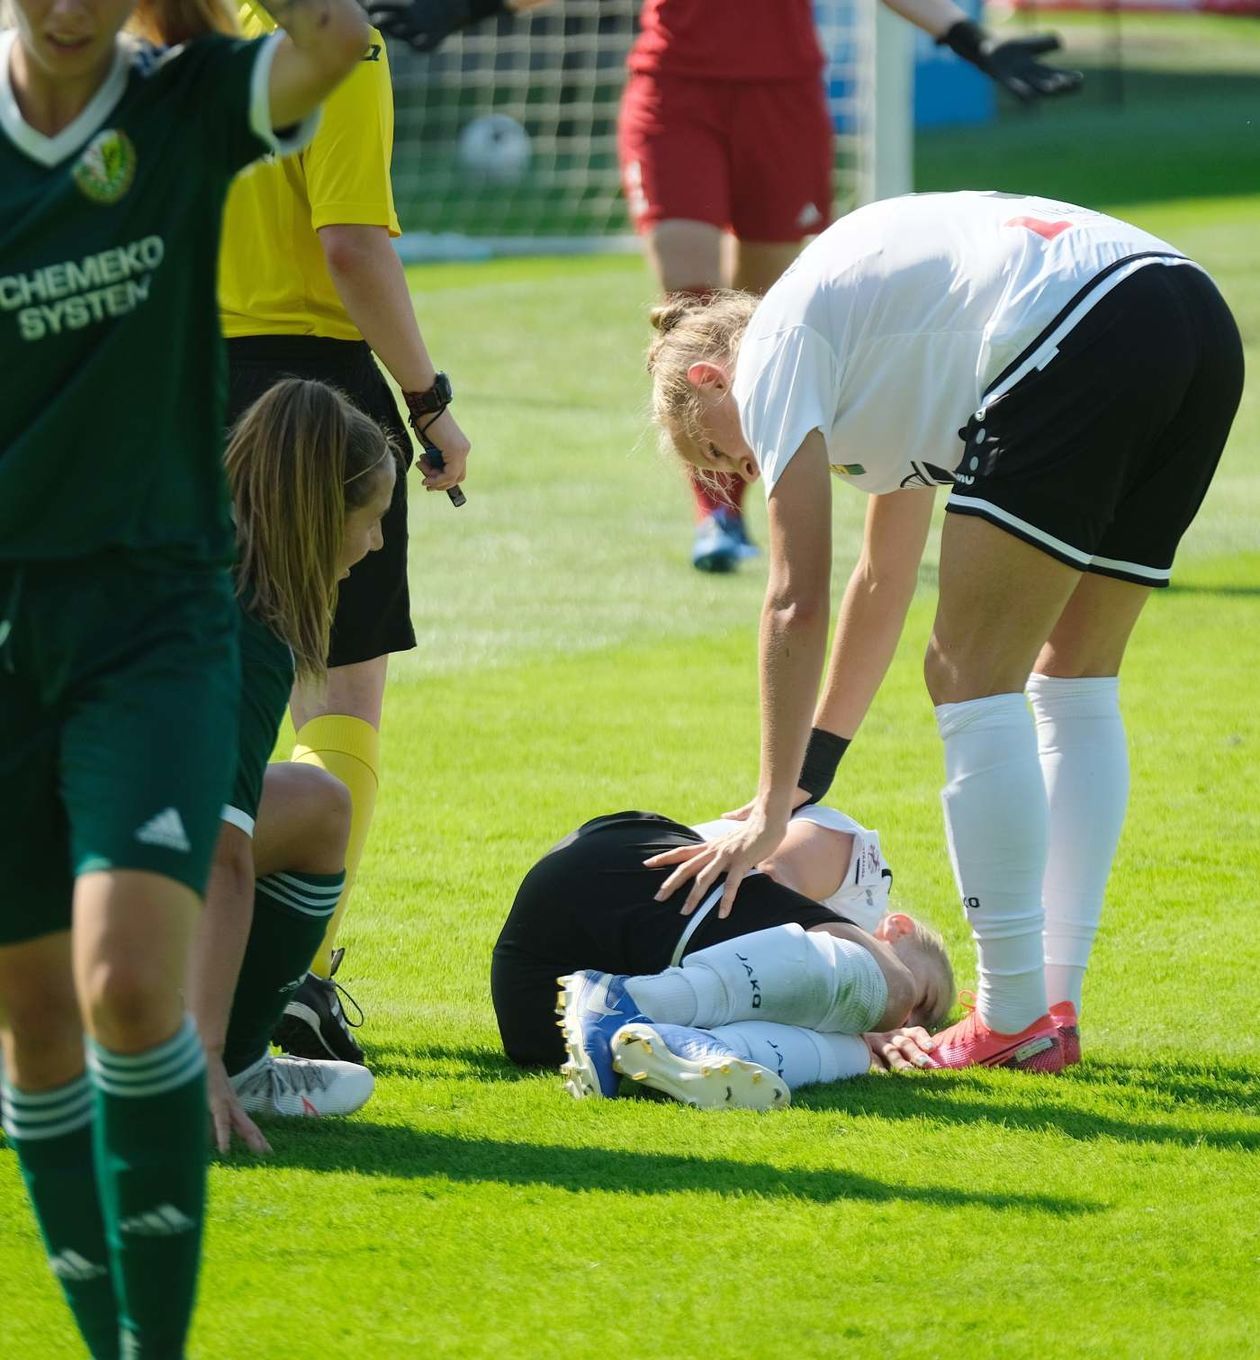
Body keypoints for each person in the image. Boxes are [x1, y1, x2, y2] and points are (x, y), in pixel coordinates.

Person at [641, 190, 1245, 1074]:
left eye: (724, 455)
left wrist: (769, 811)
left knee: (968, 675)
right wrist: (808, 777)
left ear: (709, 380)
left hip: (1078, 321)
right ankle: (1049, 1007)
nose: (745, 468)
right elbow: (880, 578)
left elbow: (794, 599)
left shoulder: (772, 352)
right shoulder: (871, 347)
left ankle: (1010, 1016)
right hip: (1190, 314)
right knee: (1072, 677)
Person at [0, 0, 367, 1352]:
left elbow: (328, 45)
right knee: (39, 1026)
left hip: (150, 619)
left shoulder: (187, 102)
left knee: (128, 991)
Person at [363, 0, 1081, 573]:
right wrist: (467, 7)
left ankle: (743, 497)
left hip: (784, 101)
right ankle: (717, 516)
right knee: (692, 316)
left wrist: (970, 39)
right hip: (676, 95)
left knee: (760, 330)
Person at [218, 0, 471, 1068]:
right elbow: (353, 246)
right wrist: (428, 400)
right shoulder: (342, 44)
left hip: (161, 381)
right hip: (306, 396)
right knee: (337, 702)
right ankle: (286, 986)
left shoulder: (163, 35)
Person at [190, 380, 398, 1154]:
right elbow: (218, 860)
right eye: (371, 520)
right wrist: (203, 1053)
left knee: (312, 798)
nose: (375, 545)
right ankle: (228, 1069)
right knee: (313, 814)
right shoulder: (243, 630)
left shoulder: (187, 541)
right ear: (319, 517)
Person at [492, 806, 953, 1105]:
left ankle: (659, 1032)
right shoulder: (860, 868)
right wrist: (868, 1009)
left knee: (852, 1053)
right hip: (622, 875)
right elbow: (772, 873)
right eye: (925, 1002)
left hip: (540, 1009)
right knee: (890, 988)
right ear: (898, 927)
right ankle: (626, 1002)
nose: (909, 1026)